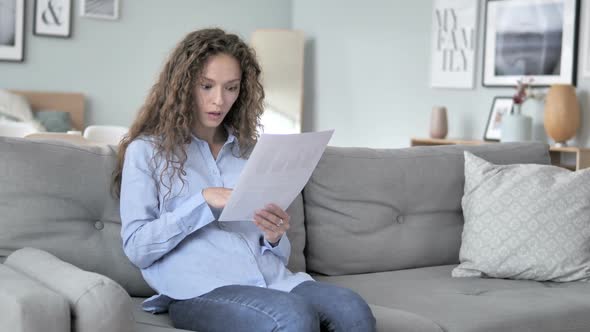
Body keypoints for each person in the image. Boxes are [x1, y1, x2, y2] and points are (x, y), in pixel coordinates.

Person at [113, 28, 376, 332]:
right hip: (199, 289)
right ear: (183, 86)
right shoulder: (146, 151)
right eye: (206, 86)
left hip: (274, 281)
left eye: (231, 88)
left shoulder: (251, 152)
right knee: (292, 316)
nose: (219, 101)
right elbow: (137, 247)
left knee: (353, 309)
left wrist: (275, 235)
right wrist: (203, 201)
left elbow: (277, 251)